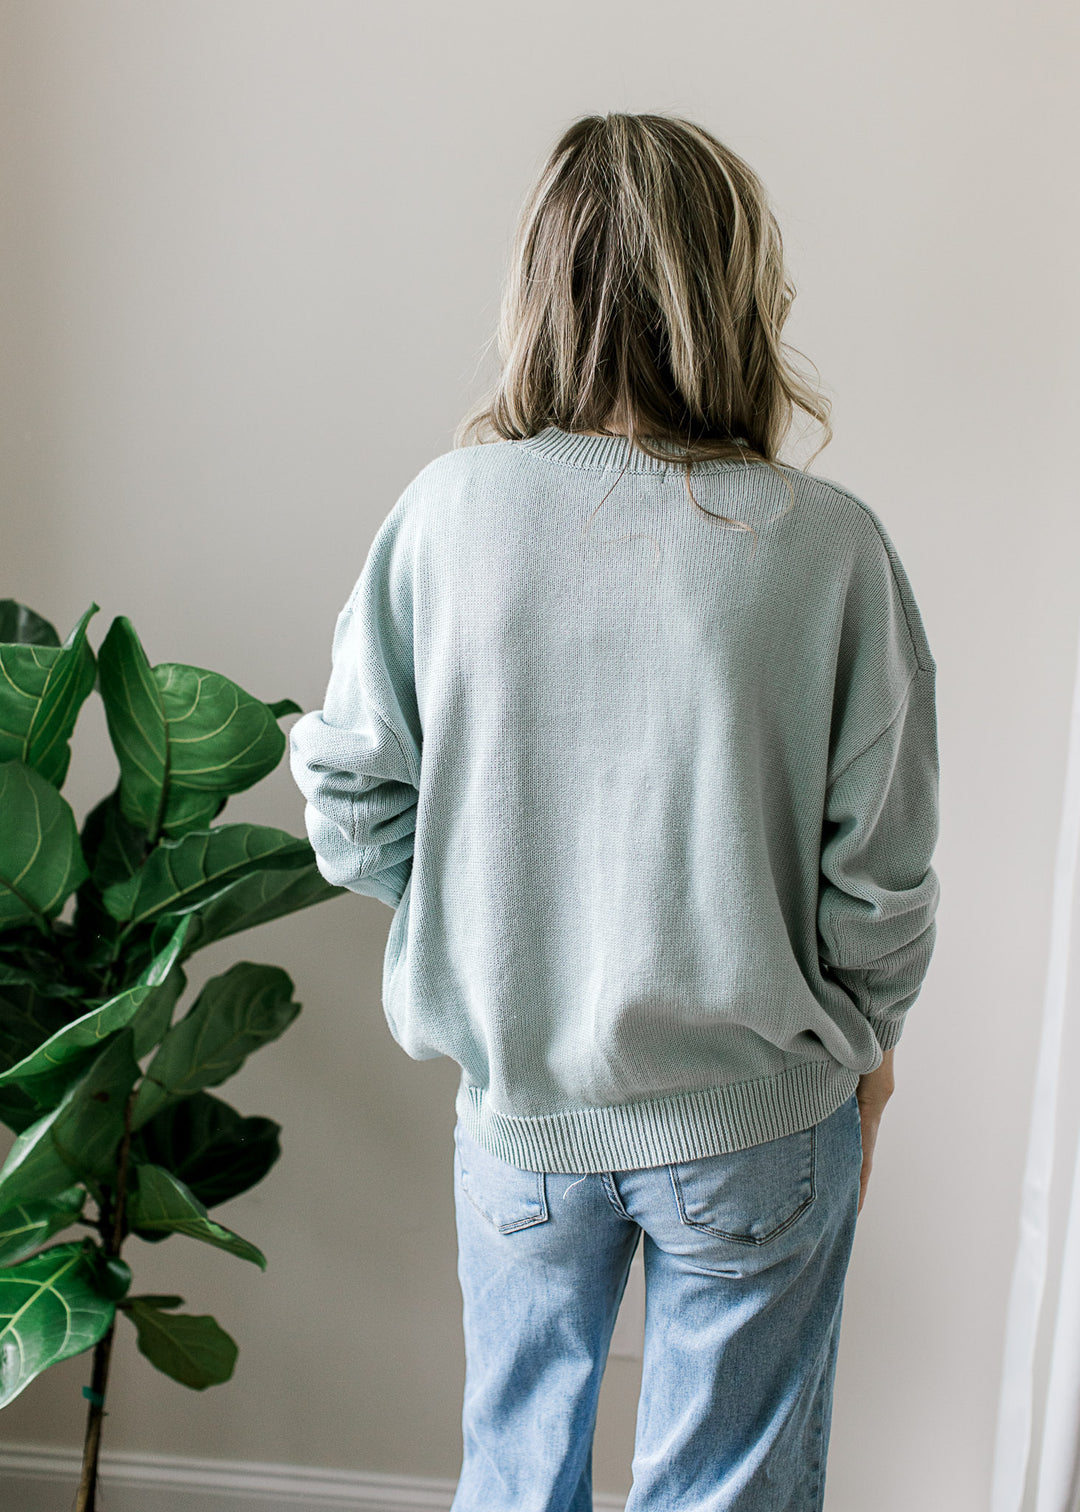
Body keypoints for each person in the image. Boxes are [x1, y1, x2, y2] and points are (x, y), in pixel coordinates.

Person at [289, 111, 940, 1512]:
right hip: (761, 1114)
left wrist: (492, 916)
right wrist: (868, 1044)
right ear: (737, 289)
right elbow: (880, 873)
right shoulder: (826, 546)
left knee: (515, 1481)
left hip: (521, 1118)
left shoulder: (445, 516)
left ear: (543, 289)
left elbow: (346, 790)